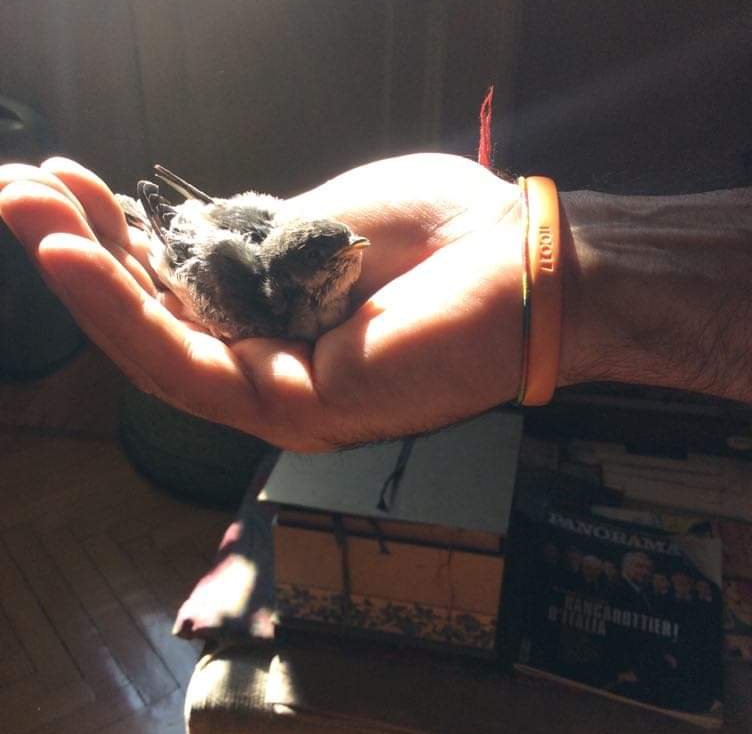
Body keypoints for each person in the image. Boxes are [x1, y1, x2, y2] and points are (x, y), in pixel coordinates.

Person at [0, 154, 750, 453]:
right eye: (336, 267)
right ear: (300, 286)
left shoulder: (316, 281)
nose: (354, 259)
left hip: (222, 229)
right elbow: (202, 243)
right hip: (189, 245)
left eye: (347, 255)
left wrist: (524, 240)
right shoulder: (258, 307)